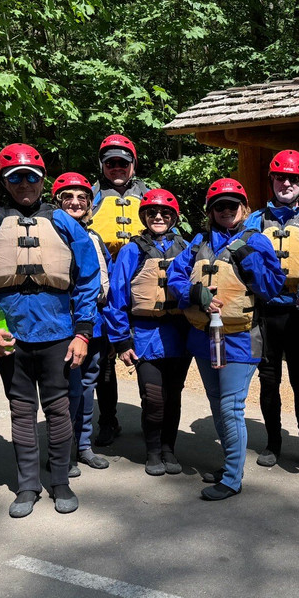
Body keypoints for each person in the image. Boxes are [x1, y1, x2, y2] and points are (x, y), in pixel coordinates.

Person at [0, 144, 100, 518]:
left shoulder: (64, 223)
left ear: (41, 180)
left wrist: (82, 332)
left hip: (58, 333)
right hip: (10, 337)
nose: (24, 184)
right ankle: (28, 486)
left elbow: (87, 281)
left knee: (59, 409)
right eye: (15, 177)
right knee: (21, 410)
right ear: (4, 181)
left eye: (30, 177)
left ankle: (61, 482)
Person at [168, 178, 284, 501]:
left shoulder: (257, 241)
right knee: (218, 405)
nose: (226, 210)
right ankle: (230, 465)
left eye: (232, 205)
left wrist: (248, 258)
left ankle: (233, 477)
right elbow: (175, 275)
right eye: (219, 206)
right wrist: (194, 292)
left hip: (241, 339)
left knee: (231, 406)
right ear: (210, 211)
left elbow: (272, 287)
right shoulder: (199, 242)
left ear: (243, 208)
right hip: (204, 339)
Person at [244, 149, 299, 475]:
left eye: (293, 178)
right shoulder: (254, 221)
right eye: (280, 177)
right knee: (269, 381)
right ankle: (273, 442)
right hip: (266, 314)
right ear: (272, 180)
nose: (286, 183)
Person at [104, 189, 193, 477]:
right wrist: (120, 339)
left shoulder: (188, 247)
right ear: (144, 217)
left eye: (165, 213)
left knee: (173, 395)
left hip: (179, 334)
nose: (158, 217)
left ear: (174, 217)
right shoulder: (132, 250)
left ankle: (169, 448)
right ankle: (153, 450)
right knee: (153, 397)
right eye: (152, 213)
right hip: (144, 334)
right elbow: (117, 295)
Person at [87, 134, 149, 447]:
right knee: (104, 361)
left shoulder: (149, 195)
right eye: (110, 163)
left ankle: (151, 418)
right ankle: (108, 420)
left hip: (141, 287)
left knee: (145, 355)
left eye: (122, 163)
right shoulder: (92, 195)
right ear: (102, 165)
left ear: (133, 165)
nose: (116, 168)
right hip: (104, 288)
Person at [51, 172, 112, 475]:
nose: (75, 202)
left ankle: (83, 445)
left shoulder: (95, 238)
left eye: (81, 198)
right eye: (68, 197)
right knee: (66, 390)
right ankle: (61, 450)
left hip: (94, 323)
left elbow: (106, 280)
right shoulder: (48, 233)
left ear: (89, 204)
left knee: (87, 387)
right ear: (57, 202)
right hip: (63, 324)